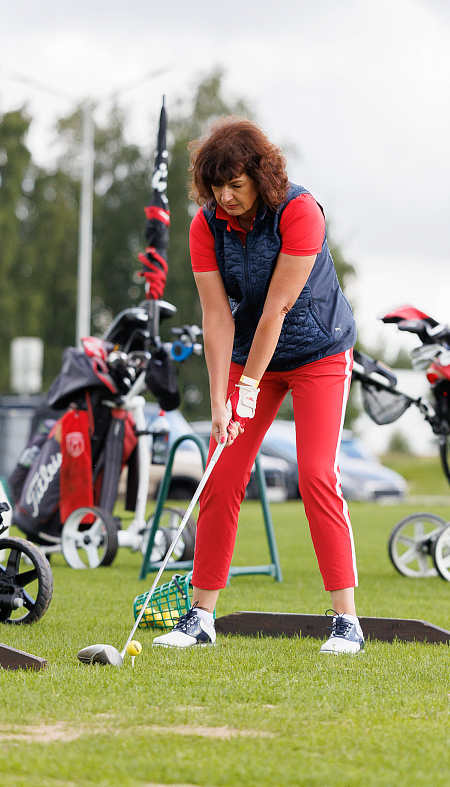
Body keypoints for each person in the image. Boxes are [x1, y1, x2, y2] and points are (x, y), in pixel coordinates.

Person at [152, 118, 363, 655]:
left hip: (318, 350)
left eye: (236, 185)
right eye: (216, 187)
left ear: (260, 175)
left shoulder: (300, 212)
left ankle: (347, 623)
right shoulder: (207, 226)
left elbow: (276, 310)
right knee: (221, 471)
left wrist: (243, 389)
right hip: (252, 357)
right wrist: (222, 400)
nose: (225, 197)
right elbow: (218, 317)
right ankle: (200, 618)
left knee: (316, 474)